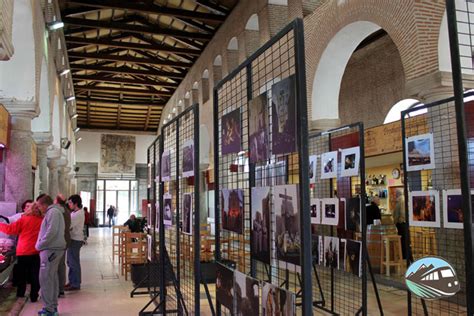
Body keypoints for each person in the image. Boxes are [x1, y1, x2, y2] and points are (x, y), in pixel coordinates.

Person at [0, 200, 42, 301]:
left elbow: (11, 230)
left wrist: (0, 225)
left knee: (22, 275)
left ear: (30, 209)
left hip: (23, 251)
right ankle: (34, 296)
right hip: (36, 251)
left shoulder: (24, 219)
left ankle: (20, 294)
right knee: (35, 275)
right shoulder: (42, 220)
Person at [35, 194, 66, 316]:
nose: (38, 209)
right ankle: (52, 307)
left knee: (46, 279)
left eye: (38, 206)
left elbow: (51, 231)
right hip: (53, 248)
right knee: (51, 278)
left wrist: (40, 245)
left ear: (44, 204)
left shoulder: (52, 212)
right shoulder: (54, 212)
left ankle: (49, 309)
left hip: (51, 249)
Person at [66, 195, 85, 291]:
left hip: (75, 239)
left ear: (75, 203)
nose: (69, 204)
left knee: (73, 262)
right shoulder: (74, 212)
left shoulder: (78, 214)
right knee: (70, 261)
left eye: (70, 202)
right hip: (73, 239)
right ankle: (71, 281)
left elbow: (69, 225)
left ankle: (75, 283)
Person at [54, 194, 71, 297]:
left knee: (58, 265)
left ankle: (59, 288)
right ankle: (60, 287)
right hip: (64, 240)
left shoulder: (59, 211)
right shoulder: (66, 210)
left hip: (60, 241)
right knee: (61, 264)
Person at [393, 191, 407, 259]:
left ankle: (404, 256)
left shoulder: (400, 201)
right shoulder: (403, 200)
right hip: (403, 223)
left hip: (401, 223)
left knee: (403, 241)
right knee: (404, 240)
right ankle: (405, 256)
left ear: (397, 194)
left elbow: (400, 213)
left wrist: (396, 222)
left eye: (395, 194)